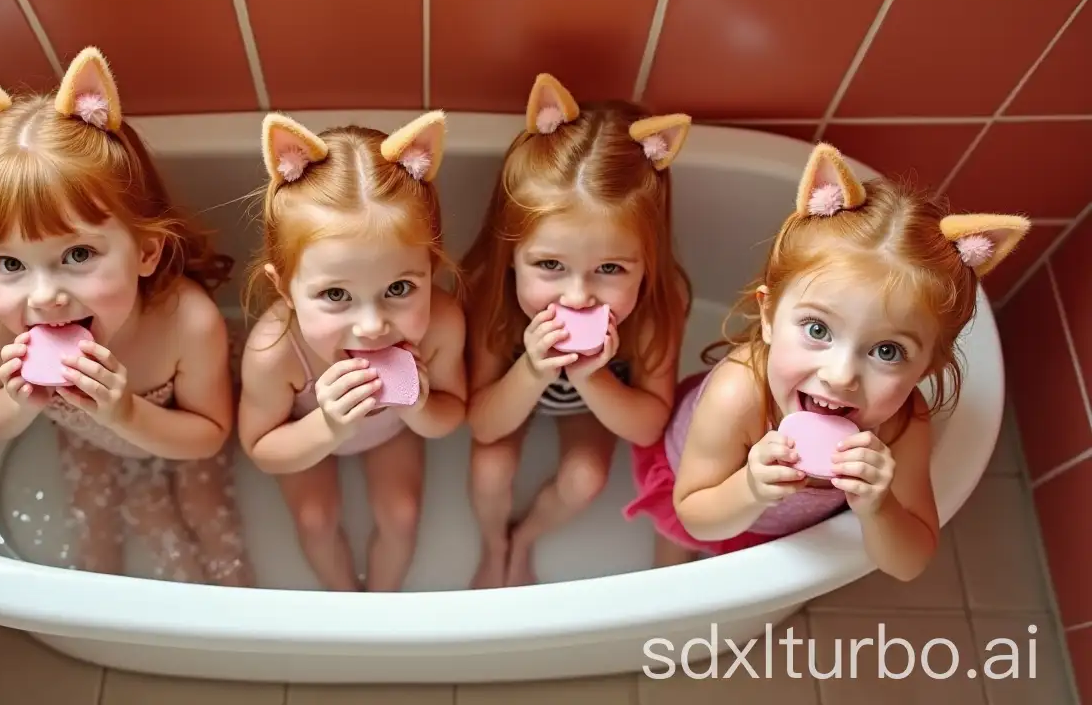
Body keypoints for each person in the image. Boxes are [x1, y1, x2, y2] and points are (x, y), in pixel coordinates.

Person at [626, 141, 1030, 580]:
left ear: (928, 368)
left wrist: (880, 508)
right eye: (818, 330)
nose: (839, 377)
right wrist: (750, 488)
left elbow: (908, 564)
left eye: (887, 351)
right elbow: (695, 514)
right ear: (768, 316)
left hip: (774, 528)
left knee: (745, 575)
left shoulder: (901, 424)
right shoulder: (737, 395)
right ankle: (665, 577)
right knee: (676, 546)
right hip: (704, 489)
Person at [0, 47, 251, 586]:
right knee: (94, 529)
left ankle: (238, 619)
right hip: (87, 439)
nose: (45, 297)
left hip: (173, 431)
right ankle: (107, 612)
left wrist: (125, 413)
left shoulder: (187, 323)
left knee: (209, 515)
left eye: (79, 256)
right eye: (10, 263)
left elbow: (209, 434)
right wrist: (18, 405)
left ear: (146, 253)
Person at [461, 73, 693, 587]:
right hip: (514, 398)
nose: (578, 297)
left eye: (611, 270)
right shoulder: (492, 297)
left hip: (590, 407)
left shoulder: (657, 307)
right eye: (549, 265)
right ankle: (493, 541)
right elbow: (483, 424)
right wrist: (531, 368)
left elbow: (647, 426)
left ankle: (526, 537)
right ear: (512, 257)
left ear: (646, 263)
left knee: (585, 480)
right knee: (489, 471)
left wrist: (593, 378)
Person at [237, 111, 467, 592]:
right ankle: (342, 600)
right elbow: (261, 449)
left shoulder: (441, 324)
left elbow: (451, 415)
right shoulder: (274, 351)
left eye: (400, 287)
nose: (372, 326)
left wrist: (419, 404)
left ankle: (380, 606)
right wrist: (328, 426)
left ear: (432, 271)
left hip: (392, 430)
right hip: (305, 435)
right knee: (316, 520)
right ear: (285, 290)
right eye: (336, 296)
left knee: (402, 515)